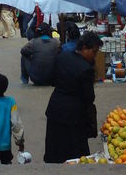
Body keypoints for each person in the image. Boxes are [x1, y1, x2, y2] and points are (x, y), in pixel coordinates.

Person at [44, 31, 103, 163]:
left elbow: (51, 78)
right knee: (75, 153)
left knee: (55, 149)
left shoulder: (63, 56)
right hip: (73, 115)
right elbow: (89, 97)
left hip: (55, 107)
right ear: (84, 49)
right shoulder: (85, 69)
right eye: (93, 52)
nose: (94, 56)